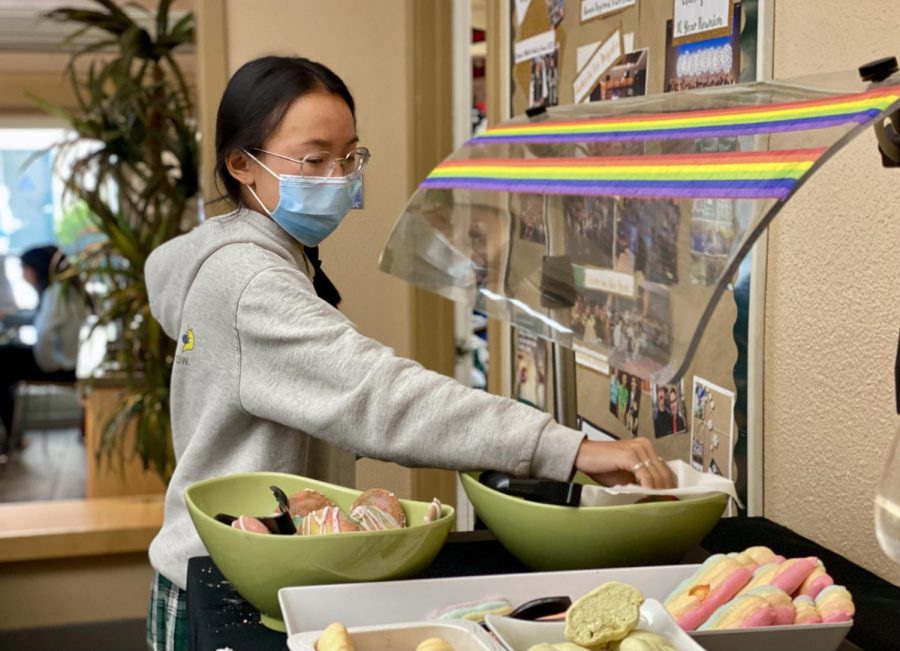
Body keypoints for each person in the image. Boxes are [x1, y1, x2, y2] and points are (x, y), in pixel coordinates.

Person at [142, 56, 674, 651]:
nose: (339, 176)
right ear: (242, 164)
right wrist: (564, 446)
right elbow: (377, 396)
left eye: (349, 157)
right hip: (230, 583)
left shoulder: (260, 257)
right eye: (315, 160)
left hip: (253, 569)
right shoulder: (248, 281)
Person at [0, 245, 88, 456]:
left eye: (24, 269)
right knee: (5, 359)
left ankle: (11, 438)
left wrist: (46, 363)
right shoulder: (65, 290)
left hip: (58, 366)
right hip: (66, 361)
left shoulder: (55, 292)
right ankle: (13, 436)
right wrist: (9, 317)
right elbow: (41, 320)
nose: (22, 275)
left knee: (3, 361)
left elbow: (45, 332)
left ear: (36, 269)